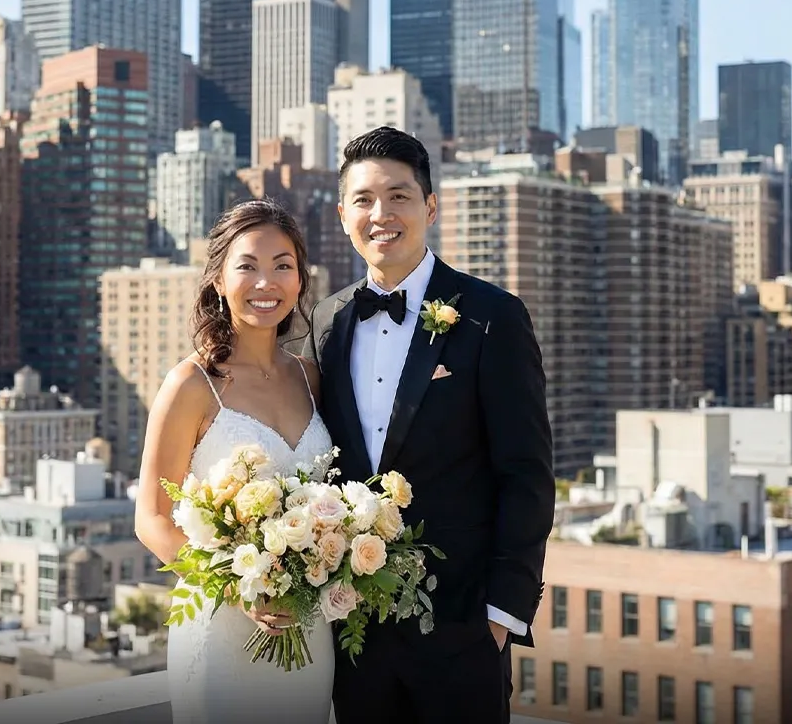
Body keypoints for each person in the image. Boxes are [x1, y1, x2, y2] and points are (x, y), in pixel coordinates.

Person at [303, 126, 556, 724]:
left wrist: (501, 616)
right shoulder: (324, 321)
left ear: (430, 207)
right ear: (343, 215)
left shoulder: (492, 316)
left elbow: (527, 474)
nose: (381, 214)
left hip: (463, 632)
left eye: (399, 196)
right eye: (363, 200)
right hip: (353, 634)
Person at [135, 199, 335, 724]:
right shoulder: (190, 384)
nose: (265, 282)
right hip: (221, 633)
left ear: (299, 280)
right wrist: (237, 587)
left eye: (282, 266)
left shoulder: (312, 379)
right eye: (247, 266)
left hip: (307, 629)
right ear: (219, 280)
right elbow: (152, 519)